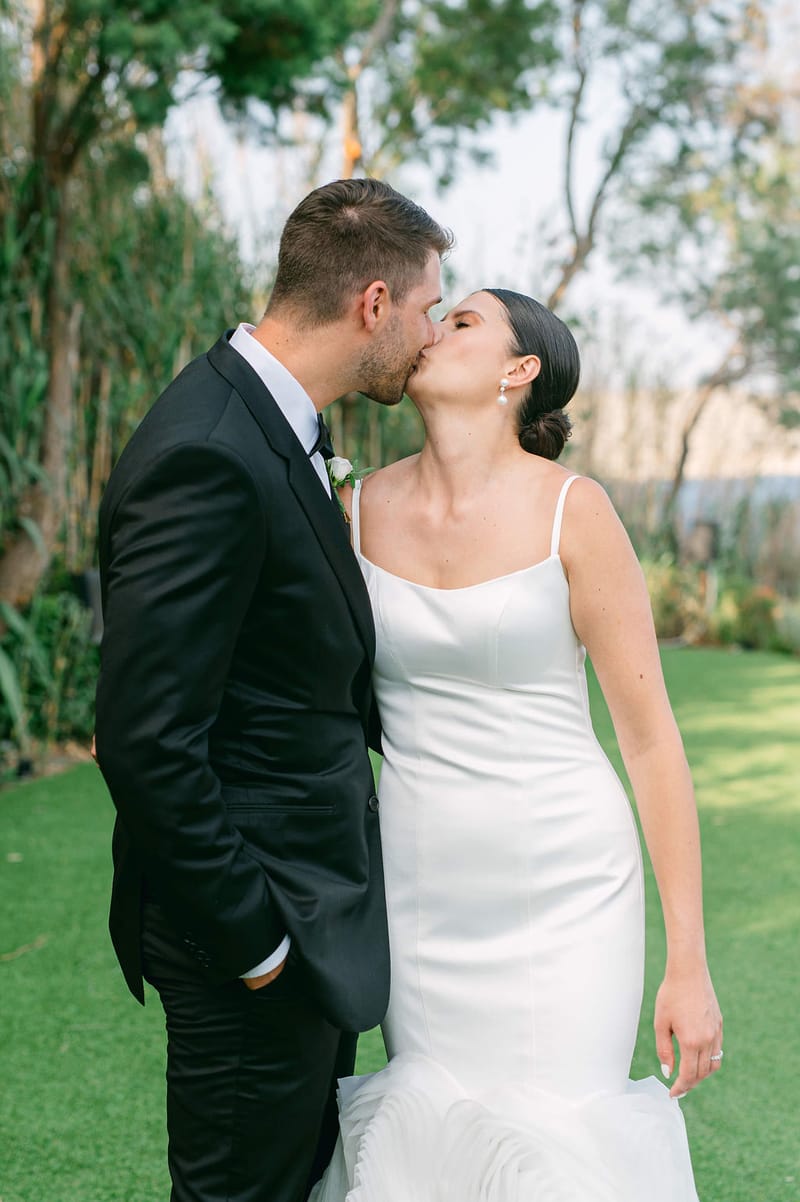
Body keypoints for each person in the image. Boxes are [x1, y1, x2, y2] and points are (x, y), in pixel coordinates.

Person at [311, 288, 723, 1201]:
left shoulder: (574, 512)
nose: (430, 330)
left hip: (569, 887)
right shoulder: (358, 508)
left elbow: (651, 741)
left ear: (518, 369)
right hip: (423, 891)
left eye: (459, 322)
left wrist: (687, 961)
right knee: (435, 1137)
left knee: (559, 1141)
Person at [93, 178, 452, 1202]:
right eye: (428, 306)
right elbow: (146, 734)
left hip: (313, 908)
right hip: (252, 922)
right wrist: (254, 938)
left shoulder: (273, 419)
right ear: (372, 303)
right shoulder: (210, 448)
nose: (430, 333)